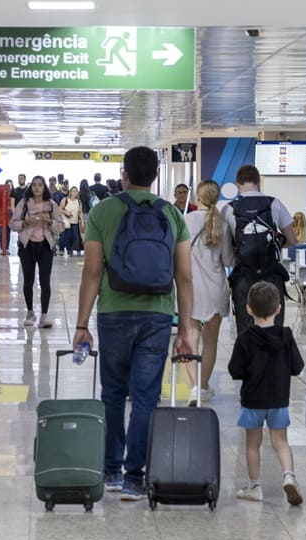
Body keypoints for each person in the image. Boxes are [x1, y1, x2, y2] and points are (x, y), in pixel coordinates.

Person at [72, 146, 195, 502]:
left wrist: (82, 324)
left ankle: (110, 469)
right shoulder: (172, 214)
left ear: (124, 174)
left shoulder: (104, 211)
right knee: (144, 397)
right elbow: (184, 278)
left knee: (112, 393)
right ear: (156, 177)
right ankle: (134, 477)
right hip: (157, 315)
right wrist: (185, 330)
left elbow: (92, 272)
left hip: (114, 313)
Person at [227, 281, 304, 505]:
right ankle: (289, 476)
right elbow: (297, 367)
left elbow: (235, 370)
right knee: (280, 441)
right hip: (279, 399)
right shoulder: (286, 336)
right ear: (278, 308)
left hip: (253, 400)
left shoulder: (245, 339)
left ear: (248, 309)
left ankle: (254, 487)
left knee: (253, 444)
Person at [223, 164, 296, 335]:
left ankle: (251, 361)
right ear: (259, 182)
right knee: (274, 329)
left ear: (237, 184)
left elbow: (226, 256)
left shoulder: (229, 209)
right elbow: (292, 239)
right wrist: (276, 245)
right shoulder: (274, 203)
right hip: (272, 275)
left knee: (246, 332)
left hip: (243, 277)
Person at [182, 180, 230, 404]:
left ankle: (195, 388)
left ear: (198, 198)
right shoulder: (222, 222)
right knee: (210, 342)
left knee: (190, 337)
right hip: (216, 287)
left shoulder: (186, 220)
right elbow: (228, 259)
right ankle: (202, 386)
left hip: (191, 288)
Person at [9, 175, 65, 328]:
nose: (37, 188)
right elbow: (12, 224)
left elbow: (61, 226)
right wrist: (26, 222)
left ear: (44, 187)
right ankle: (30, 312)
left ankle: (44, 315)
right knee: (28, 280)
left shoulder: (51, 205)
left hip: (45, 246)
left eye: (40, 185)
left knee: (45, 281)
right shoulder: (24, 204)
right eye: (34, 185)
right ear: (30, 187)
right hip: (27, 246)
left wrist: (49, 220)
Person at [59, 185, 85, 257]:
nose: (74, 192)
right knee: (66, 236)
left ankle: (71, 249)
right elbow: (60, 209)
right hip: (67, 221)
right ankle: (66, 249)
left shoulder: (79, 202)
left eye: (76, 191)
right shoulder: (65, 200)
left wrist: (82, 221)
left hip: (75, 221)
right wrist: (66, 212)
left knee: (75, 236)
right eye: (73, 191)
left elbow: (80, 212)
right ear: (70, 192)